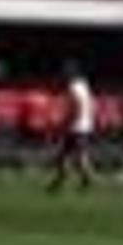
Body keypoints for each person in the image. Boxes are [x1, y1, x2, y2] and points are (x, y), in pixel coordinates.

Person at [43, 61, 101, 194]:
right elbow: (88, 104)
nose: (64, 75)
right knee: (67, 155)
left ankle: (84, 180)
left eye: (66, 72)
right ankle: (62, 181)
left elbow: (78, 105)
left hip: (77, 126)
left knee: (74, 156)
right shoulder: (84, 85)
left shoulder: (74, 87)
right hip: (83, 125)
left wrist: (68, 121)